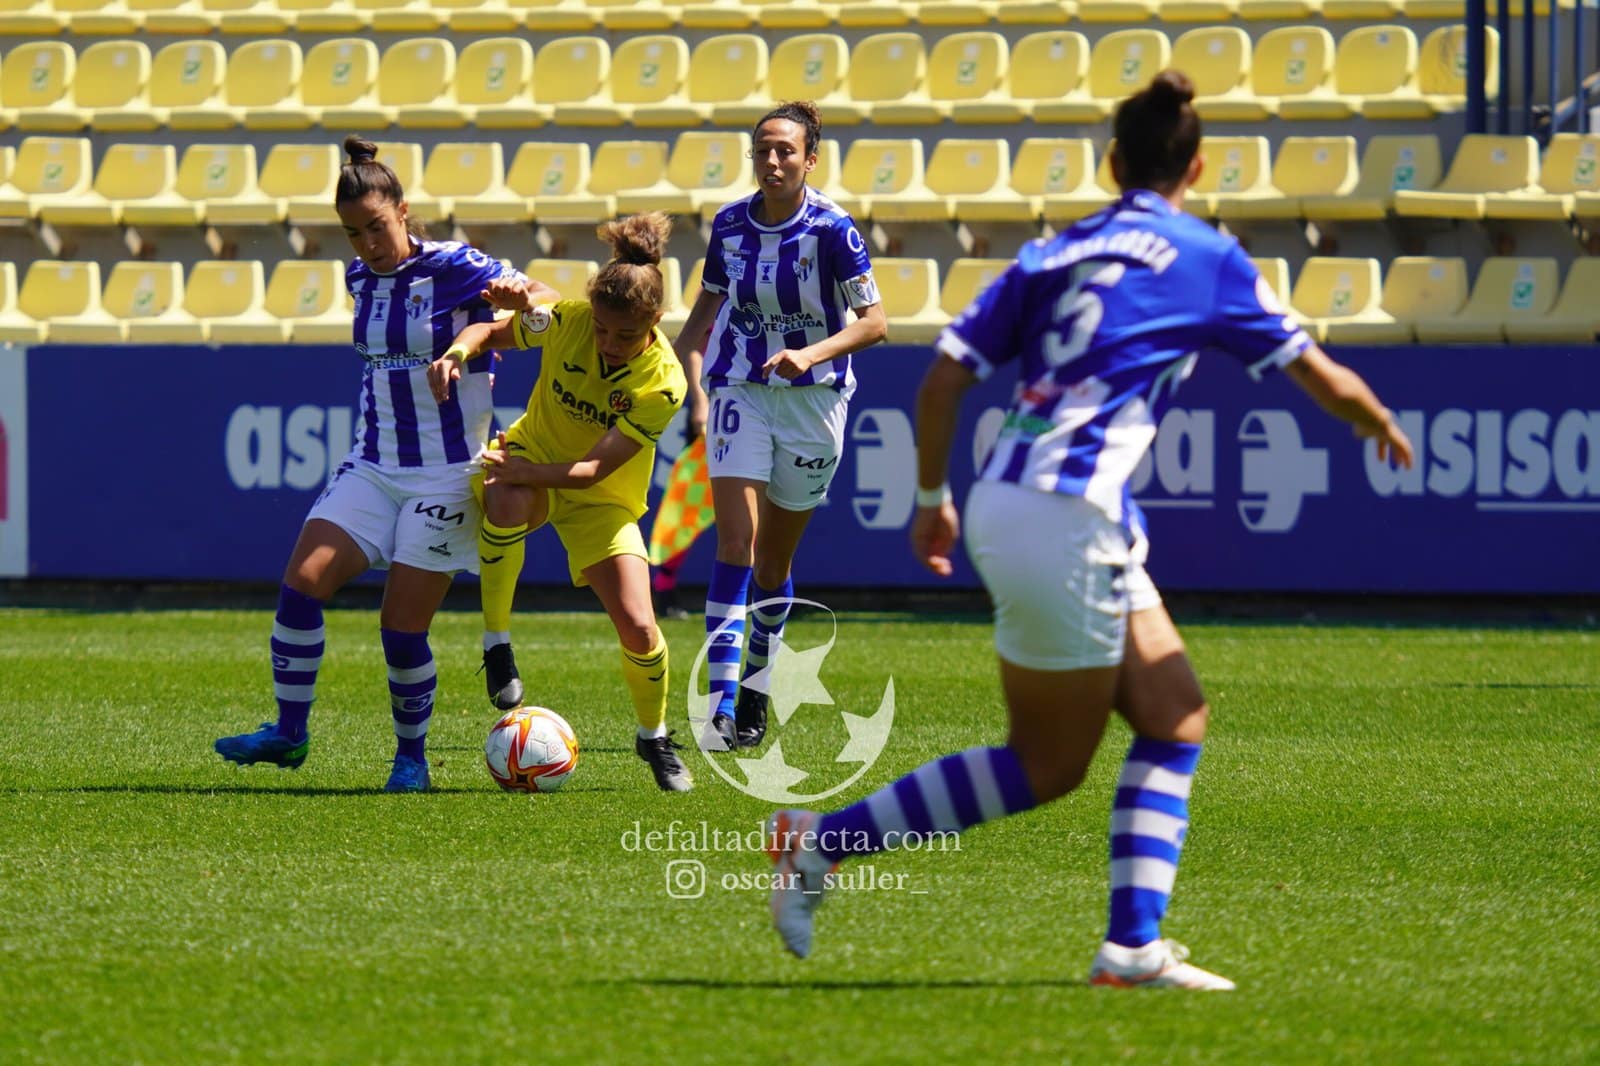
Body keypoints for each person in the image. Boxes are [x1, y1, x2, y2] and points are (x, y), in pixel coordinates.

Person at [763, 71, 1416, 986]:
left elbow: (944, 378)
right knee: (1046, 764)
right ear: (1197, 168)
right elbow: (1317, 373)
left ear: (1112, 163)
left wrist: (930, 498)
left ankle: (1132, 946)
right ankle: (822, 843)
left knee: (1175, 715)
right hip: (1067, 516)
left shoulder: (1053, 252)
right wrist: (1378, 420)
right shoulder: (1205, 253)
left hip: (1022, 499)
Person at [215, 135, 551, 793]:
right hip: (372, 464)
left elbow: (545, 295)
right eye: (353, 233)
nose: (367, 243)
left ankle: (411, 761)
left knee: (400, 628)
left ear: (402, 210)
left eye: (376, 226)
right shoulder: (359, 278)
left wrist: (521, 295)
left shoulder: (453, 265)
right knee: (301, 586)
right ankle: (289, 732)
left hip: (447, 472)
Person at [429, 212, 695, 792]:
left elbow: (594, 470)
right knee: (504, 499)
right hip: (534, 461)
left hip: (601, 498)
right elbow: (490, 334)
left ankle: (652, 736)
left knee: (640, 628)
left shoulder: (664, 382)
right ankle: (497, 644)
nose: (609, 343)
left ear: (655, 322)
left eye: (624, 335)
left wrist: (524, 470)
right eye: (602, 329)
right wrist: (456, 353)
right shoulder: (567, 320)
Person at [674, 100, 888, 752]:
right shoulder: (729, 225)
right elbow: (702, 315)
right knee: (735, 542)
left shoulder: (833, 230)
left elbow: (875, 324)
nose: (772, 161)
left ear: (809, 160)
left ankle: (758, 683)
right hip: (740, 388)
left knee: (773, 562)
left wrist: (810, 354)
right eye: (762, 149)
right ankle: (720, 705)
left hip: (813, 402)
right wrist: (688, 379)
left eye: (785, 151)